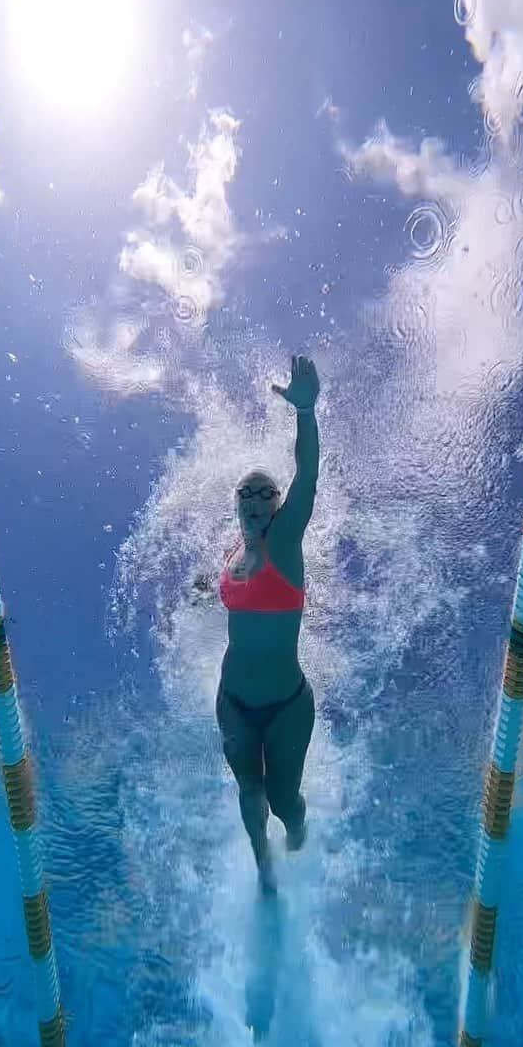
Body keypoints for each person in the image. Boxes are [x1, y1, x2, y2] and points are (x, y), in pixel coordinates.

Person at [217, 355, 320, 894]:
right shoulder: (233, 553)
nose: (255, 499)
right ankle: (265, 877)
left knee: (282, 802)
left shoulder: (284, 542)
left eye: (265, 493)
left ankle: (300, 830)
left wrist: (305, 411)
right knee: (249, 796)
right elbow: (232, 598)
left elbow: (307, 475)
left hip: (285, 705)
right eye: (245, 492)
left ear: (278, 506)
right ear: (236, 505)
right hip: (232, 700)